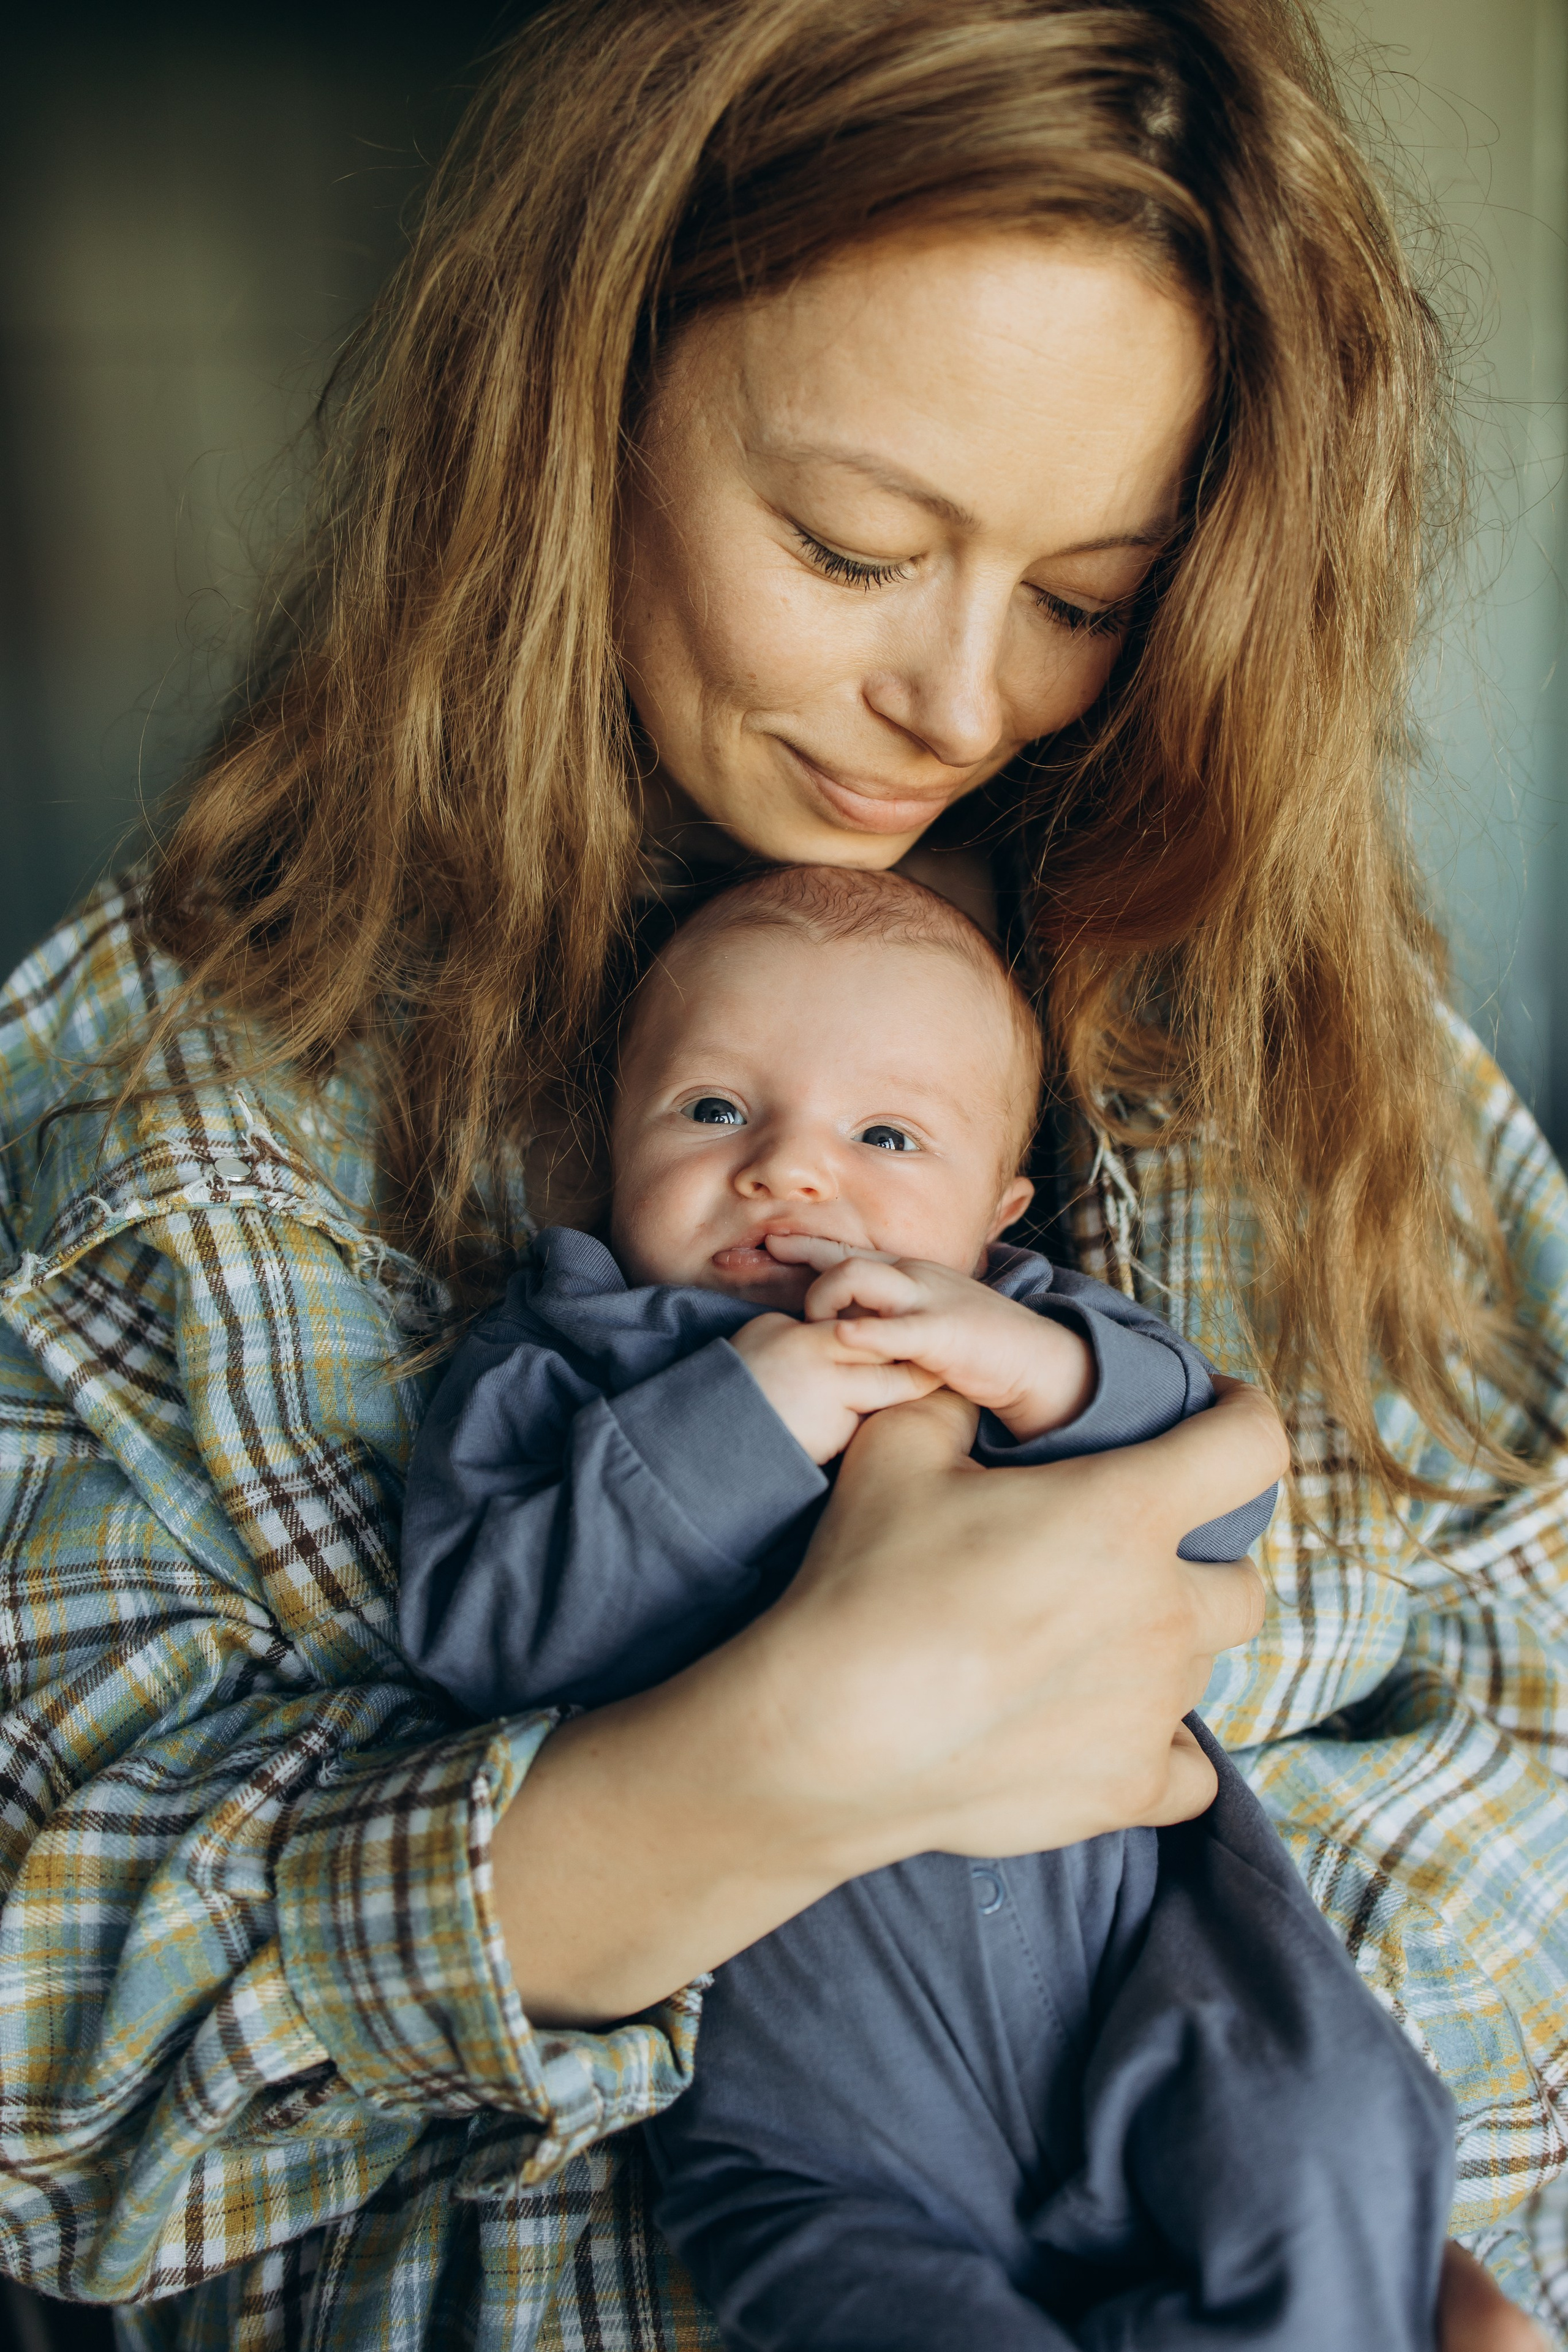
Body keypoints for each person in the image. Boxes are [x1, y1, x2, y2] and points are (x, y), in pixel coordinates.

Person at [0, 1, 1558, 2346]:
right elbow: (49, 2089)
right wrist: (739, 1782)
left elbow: (1529, 1742)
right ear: (577, 413)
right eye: (851, 547)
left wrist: (1405, 2196)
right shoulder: (171, 1124)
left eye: (1082, 597)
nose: (958, 703)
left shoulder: (1308, 1042)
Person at [399, 861, 1455, 2351]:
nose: (787, 1172)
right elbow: (484, 1634)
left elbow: (1213, 1509)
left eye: (884, 1135)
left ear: (997, 1210)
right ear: (602, 1140)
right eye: (712, 1112)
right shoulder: (562, 1363)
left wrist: (1045, 1374)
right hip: (817, 2130)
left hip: (1154, 2002)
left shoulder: (1038, 1334)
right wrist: (743, 1419)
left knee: (1350, 2130)